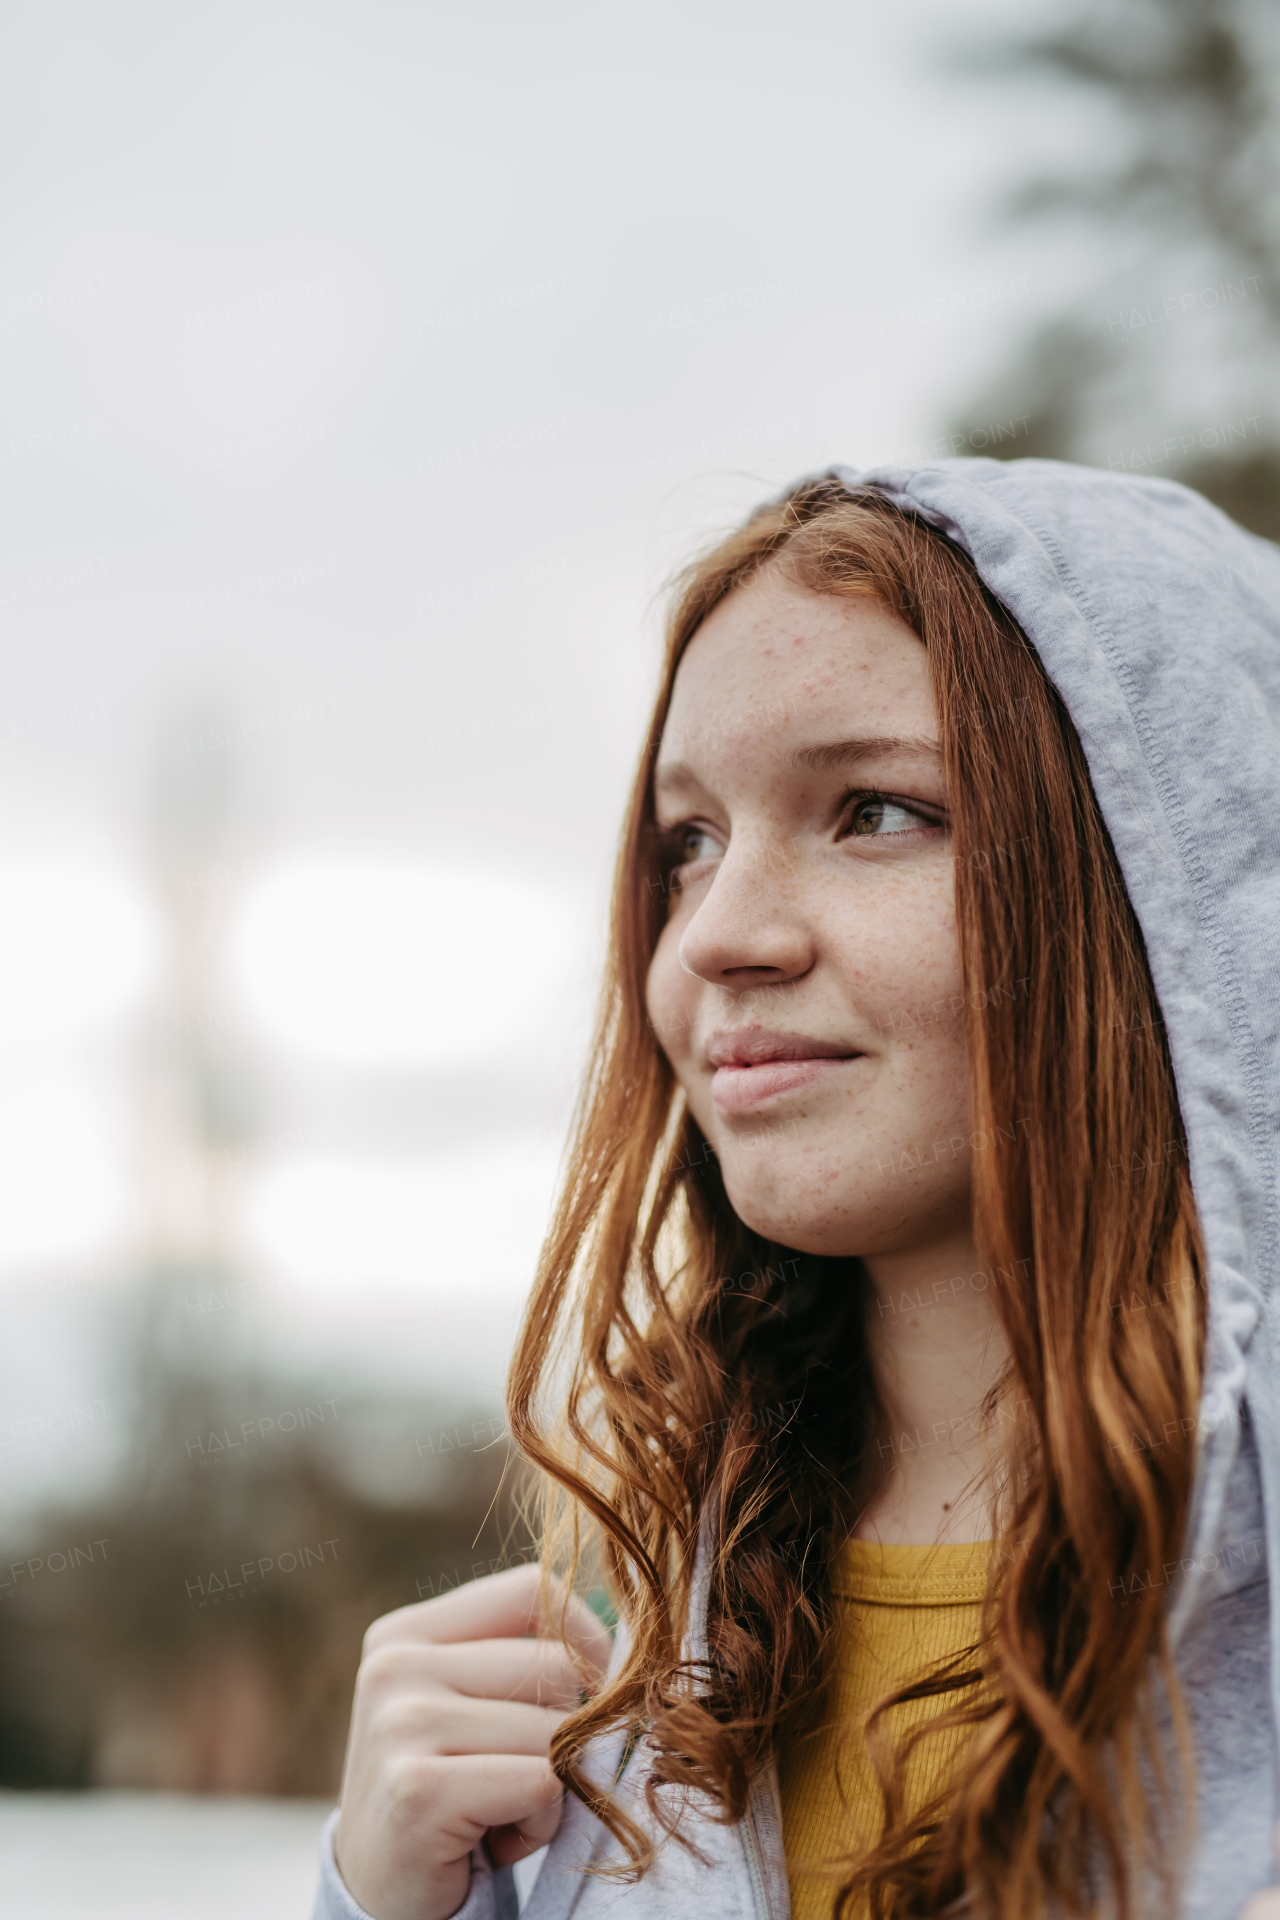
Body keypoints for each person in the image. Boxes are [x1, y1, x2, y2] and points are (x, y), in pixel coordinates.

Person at [314, 460, 1280, 1920]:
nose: (718, 935)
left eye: (878, 810)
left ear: (1180, 890)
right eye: (686, 842)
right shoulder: (595, 1735)